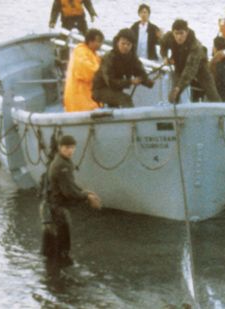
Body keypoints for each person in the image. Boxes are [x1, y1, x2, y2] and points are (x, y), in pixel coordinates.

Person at [41, 135, 101, 267]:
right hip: (56, 210)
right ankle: (62, 274)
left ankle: (52, 276)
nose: (71, 151)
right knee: (62, 245)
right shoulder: (62, 165)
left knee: (51, 247)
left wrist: (85, 192)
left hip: (50, 208)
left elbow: (70, 185)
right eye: (67, 147)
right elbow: (69, 192)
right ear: (60, 148)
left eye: (73, 147)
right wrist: (87, 197)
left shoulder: (60, 160)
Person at [159, 19, 221, 103]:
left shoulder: (195, 45)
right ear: (172, 32)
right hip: (179, 65)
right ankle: (175, 112)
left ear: (187, 32)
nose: (179, 37)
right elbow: (163, 44)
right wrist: (165, 57)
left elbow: (190, 70)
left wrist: (179, 87)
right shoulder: (169, 36)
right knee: (173, 94)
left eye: (181, 33)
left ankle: (219, 109)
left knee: (212, 93)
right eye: (176, 33)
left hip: (200, 67)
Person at [92, 29, 153, 108]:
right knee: (126, 99)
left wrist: (148, 82)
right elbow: (110, 82)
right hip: (100, 90)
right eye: (123, 43)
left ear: (132, 45)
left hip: (116, 90)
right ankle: (132, 120)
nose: (125, 46)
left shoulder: (132, 58)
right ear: (117, 42)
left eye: (128, 44)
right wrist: (130, 81)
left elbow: (140, 72)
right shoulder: (109, 57)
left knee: (116, 104)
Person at [64, 28, 103, 112]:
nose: (100, 45)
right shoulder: (81, 52)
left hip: (87, 95)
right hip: (80, 97)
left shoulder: (92, 53)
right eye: (98, 41)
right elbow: (88, 71)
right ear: (90, 41)